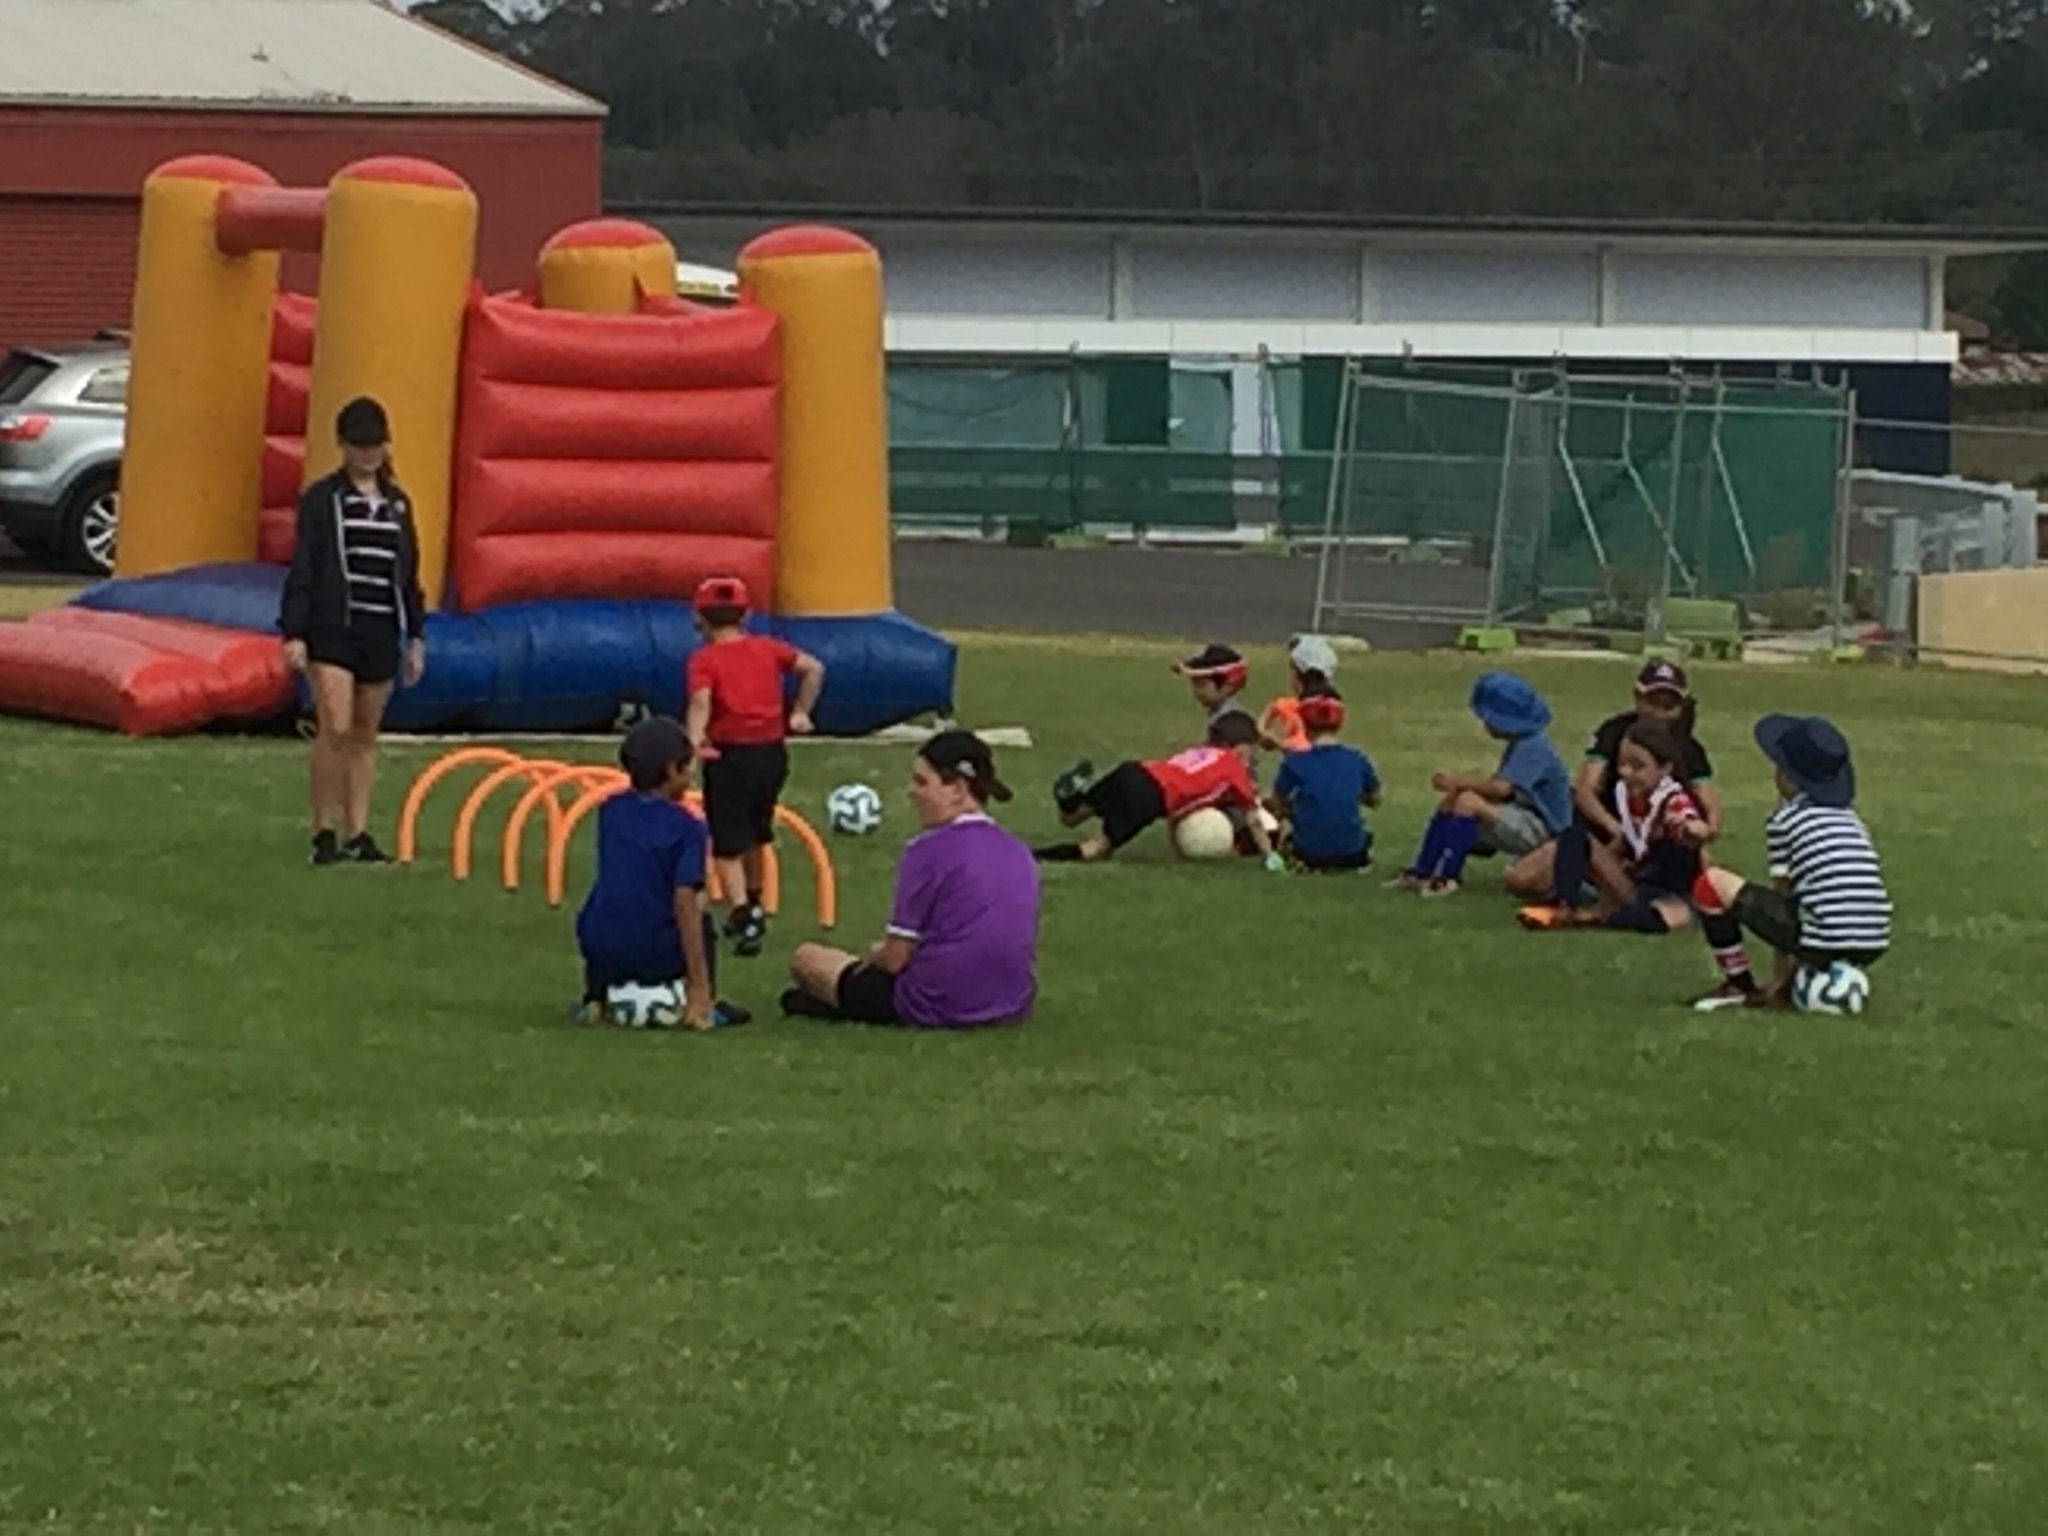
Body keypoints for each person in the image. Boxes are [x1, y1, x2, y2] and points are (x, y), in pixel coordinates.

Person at [783, 730, 1040, 1028]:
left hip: (934, 1002)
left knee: (807, 959)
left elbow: (894, 959)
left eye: (921, 782)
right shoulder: (1018, 850)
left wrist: (876, 954)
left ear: (957, 789)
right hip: (1010, 1002)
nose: (911, 791)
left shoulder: (926, 850)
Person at [279, 396, 426, 866]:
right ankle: (322, 830)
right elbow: (303, 568)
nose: (368, 455)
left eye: (375, 446)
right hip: (333, 627)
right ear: (342, 446)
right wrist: (295, 632)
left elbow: (408, 577)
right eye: (359, 446)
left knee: (365, 734)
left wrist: (416, 638)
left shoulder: (398, 505)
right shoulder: (322, 501)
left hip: (379, 627)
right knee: (335, 728)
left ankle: (358, 831)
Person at [1690, 715, 1892, 1012]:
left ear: (1787, 776)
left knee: (1709, 884)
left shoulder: (1784, 819)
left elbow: (1784, 893)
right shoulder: (1852, 820)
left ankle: (1738, 982)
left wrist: (1779, 976)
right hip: (1873, 940)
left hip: (1823, 940)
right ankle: (1825, 980)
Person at [573, 716, 749, 1031]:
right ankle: (703, 1005)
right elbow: (684, 901)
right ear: (671, 771)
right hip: (653, 955)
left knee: (606, 904)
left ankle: (594, 997)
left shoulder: (610, 810)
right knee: (702, 914)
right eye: (688, 766)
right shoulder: (688, 828)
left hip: (600, 947)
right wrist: (697, 982)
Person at [682, 576, 826, 959]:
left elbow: (701, 703)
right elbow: (813, 668)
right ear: (745, 614)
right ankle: (756, 898)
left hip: (730, 756)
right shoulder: (767, 649)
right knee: (756, 831)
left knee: (727, 841)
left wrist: (694, 744)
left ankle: (742, 913)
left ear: (700, 618)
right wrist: (800, 712)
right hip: (772, 753)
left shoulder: (704, 660)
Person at [1505, 659, 1719, 900]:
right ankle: (1589, 881)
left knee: (1705, 877)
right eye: (1652, 702)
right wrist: (1617, 829)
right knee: (1519, 880)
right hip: (1602, 833)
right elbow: (1585, 790)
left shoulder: (1689, 749)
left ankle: (1606, 889)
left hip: (1654, 842)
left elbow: (1709, 808)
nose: (1659, 712)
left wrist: (1697, 833)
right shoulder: (1614, 731)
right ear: (1637, 698)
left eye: (1668, 705)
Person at [1516, 717, 1711, 933]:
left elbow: (1692, 825)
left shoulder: (1672, 800)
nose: (1626, 772)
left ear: (1664, 768)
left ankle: (1590, 917)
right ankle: (1564, 904)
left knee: (1663, 916)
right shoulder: (1625, 794)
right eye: (1622, 764)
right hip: (1636, 884)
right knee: (1575, 836)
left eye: (1638, 766)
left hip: (1669, 894)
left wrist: (1694, 829)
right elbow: (1626, 842)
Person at [1392, 670, 1570, 896]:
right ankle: (1422, 870)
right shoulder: (1522, 743)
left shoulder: (1533, 747)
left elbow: (1501, 788)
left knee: (1467, 801)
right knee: (1454, 800)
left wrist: (1458, 782)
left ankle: (1448, 877)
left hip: (1546, 832)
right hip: (1524, 817)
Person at [1037, 712, 1284, 867]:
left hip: (1135, 770)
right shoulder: (1234, 771)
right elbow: (1253, 819)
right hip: (1149, 794)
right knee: (1096, 850)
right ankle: (1033, 856)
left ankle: (1069, 799)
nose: (1251, 760)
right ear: (1241, 748)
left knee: (1072, 817)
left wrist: (1178, 852)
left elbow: (1179, 809)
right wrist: (1268, 856)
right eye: (1251, 752)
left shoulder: (1201, 753)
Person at [1267, 693, 1381, 871]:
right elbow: (1375, 800)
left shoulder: (1295, 761)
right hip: (1353, 853)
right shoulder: (1356, 759)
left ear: (1304, 724)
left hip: (1308, 854)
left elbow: (1276, 802)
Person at [1258, 634, 1342, 754]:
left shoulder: (1312, 709)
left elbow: (1306, 749)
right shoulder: (1332, 705)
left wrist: (1277, 741)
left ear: (1296, 674)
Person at [1172, 642, 1253, 733]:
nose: (1196, 691)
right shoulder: (1220, 716)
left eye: (1201, 685)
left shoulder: (1231, 724)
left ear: (1228, 685)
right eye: (1194, 684)